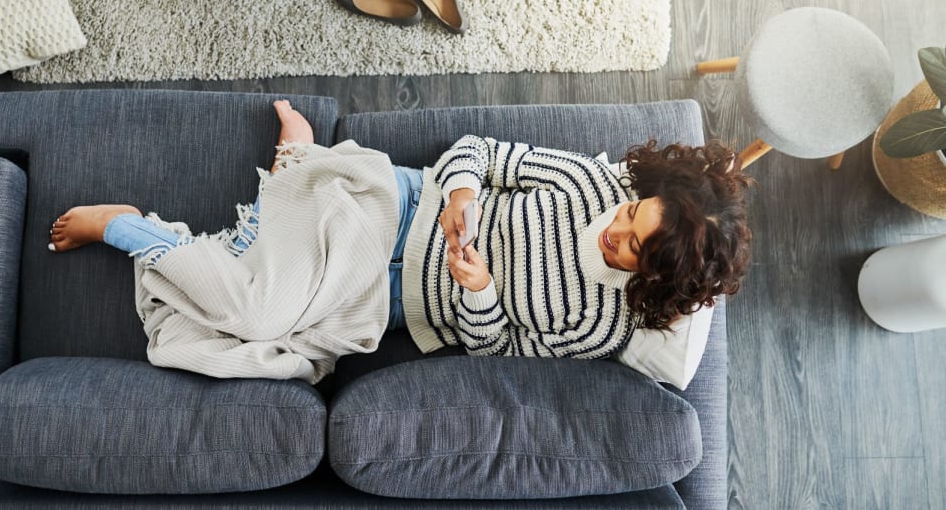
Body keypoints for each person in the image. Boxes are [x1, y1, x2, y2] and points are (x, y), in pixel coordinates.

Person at [49, 100, 753, 360]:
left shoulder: (604, 326)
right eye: (631, 215)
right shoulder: (593, 185)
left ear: (651, 277)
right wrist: (463, 192)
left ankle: (292, 163)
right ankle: (130, 231)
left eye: (631, 245)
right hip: (400, 208)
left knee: (257, 335)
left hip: (388, 305)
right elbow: (480, 149)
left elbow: (496, 346)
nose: (615, 231)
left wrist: (478, 291)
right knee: (260, 309)